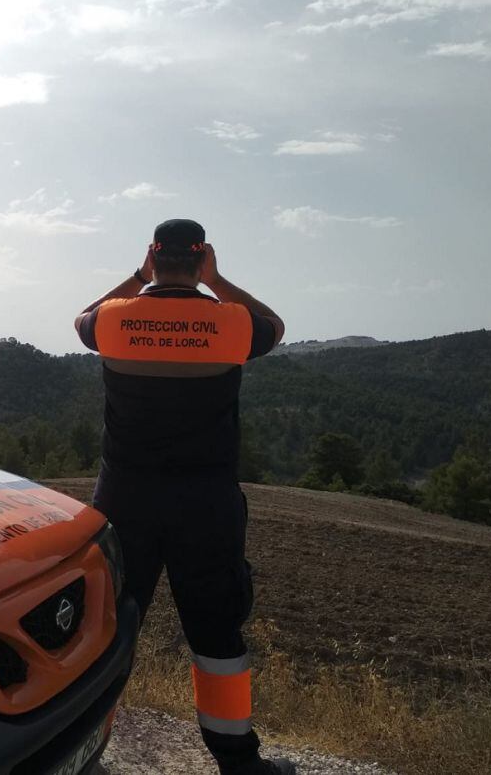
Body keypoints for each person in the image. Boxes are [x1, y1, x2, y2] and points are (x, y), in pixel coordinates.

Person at [74, 219, 292, 775]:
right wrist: (219, 283)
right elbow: (277, 325)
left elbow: (81, 320)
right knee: (217, 631)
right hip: (206, 503)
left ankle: (79, 751)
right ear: (201, 258)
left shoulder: (114, 321)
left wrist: (134, 277)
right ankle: (238, 761)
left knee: (108, 628)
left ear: (153, 255)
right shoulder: (233, 323)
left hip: (125, 500)